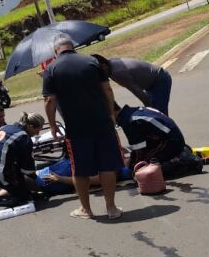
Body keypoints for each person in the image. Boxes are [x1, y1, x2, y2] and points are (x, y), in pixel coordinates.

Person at [43, 34, 124, 220]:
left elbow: (49, 100)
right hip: (103, 123)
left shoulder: (51, 69)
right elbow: (107, 89)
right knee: (107, 166)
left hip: (76, 128)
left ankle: (86, 210)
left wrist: (53, 124)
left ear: (56, 51)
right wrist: (111, 113)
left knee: (79, 169)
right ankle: (111, 208)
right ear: (73, 46)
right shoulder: (92, 61)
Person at [92, 54, 172, 116]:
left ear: (104, 65)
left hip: (159, 81)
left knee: (160, 115)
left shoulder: (118, 73)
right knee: (158, 114)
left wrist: (149, 108)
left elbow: (137, 92)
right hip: (152, 83)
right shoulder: (112, 65)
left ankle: (171, 136)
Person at [114, 103, 186, 170]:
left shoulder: (128, 122)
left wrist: (129, 166)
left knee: (139, 167)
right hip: (172, 137)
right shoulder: (132, 111)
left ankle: (183, 161)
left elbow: (138, 152)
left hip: (172, 142)